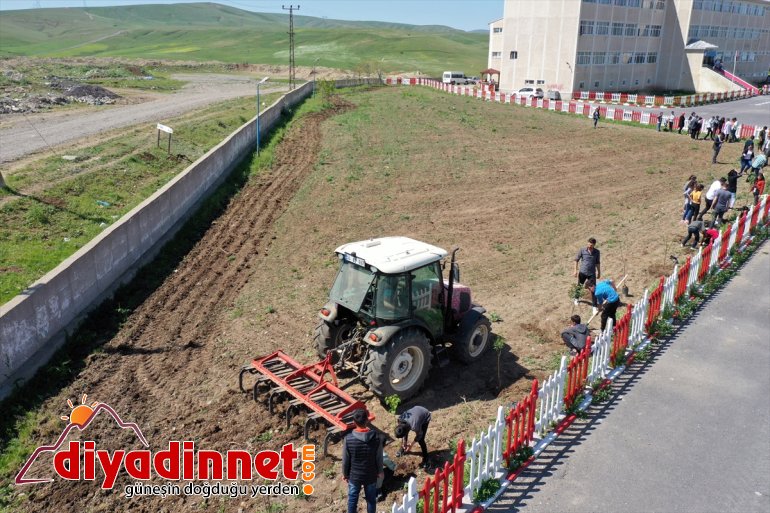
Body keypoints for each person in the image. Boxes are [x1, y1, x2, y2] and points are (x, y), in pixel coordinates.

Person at [343, 409, 383, 513]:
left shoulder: (348, 439)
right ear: (367, 421)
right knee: (371, 500)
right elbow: (379, 457)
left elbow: (346, 459)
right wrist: (380, 471)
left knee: (352, 499)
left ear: (354, 422)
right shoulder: (376, 437)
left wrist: (345, 474)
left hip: (354, 475)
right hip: (371, 474)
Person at [573, 237, 601, 312]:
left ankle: (594, 306)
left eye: (591, 245)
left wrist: (599, 272)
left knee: (593, 289)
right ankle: (576, 298)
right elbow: (576, 260)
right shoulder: (582, 250)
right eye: (588, 244)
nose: (589, 246)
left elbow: (597, 263)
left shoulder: (597, 252)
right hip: (582, 272)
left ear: (594, 245)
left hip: (592, 273)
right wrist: (575, 270)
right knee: (579, 285)